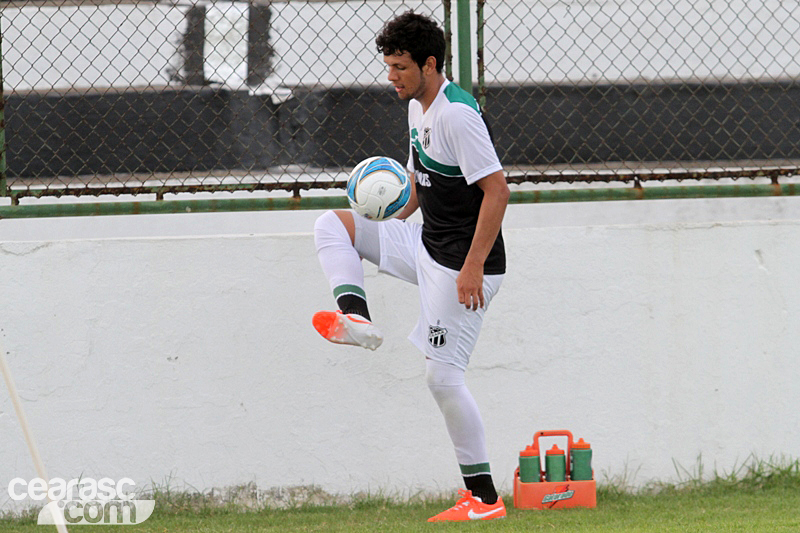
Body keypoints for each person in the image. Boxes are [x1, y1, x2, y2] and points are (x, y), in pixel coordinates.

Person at [311, 10, 509, 522]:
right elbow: (420, 180)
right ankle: (354, 316)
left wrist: (471, 268)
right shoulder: (416, 108)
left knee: (442, 379)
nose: (391, 77)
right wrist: (392, 222)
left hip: (463, 267)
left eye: (400, 67)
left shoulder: (456, 115)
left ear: (429, 63)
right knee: (334, 226)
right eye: (388, 66)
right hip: (426, 241)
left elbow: (497, 192)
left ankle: (484, 500)